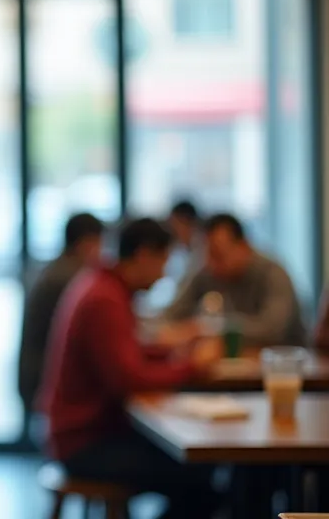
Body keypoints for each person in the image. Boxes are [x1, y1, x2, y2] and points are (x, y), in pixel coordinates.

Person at [39, 218, 222, 519]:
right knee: (199, 479)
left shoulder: (102, 285)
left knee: (200, 471)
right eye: (164, 261)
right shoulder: (105, 299)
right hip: (85, 443)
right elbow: (129, 378)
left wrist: (171, 351)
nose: (164, 273)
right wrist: (191, 366)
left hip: (81, 434)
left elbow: (124, 351)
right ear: (144, 255)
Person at [161, 213, 305, 348]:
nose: (211, 264)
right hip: (232, 365)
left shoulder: (273, 273)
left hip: (283, 366)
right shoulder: (207, 271)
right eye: (206, 255)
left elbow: (272, 329)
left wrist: (211, 328)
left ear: (243, 246)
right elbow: (170, 315)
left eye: (218, 255)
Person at [18, 213, 104, 426]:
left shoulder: (58, 269)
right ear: (86, 243)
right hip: (44, 381)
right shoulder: (69, 278)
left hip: (36, 375)